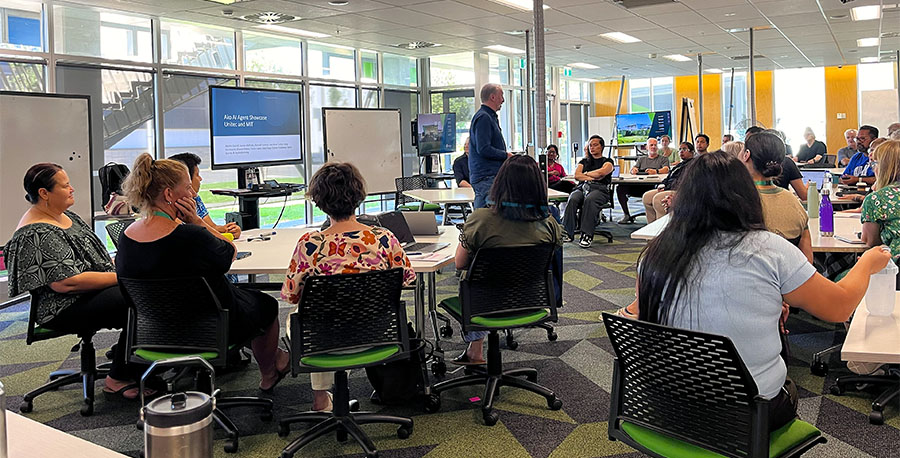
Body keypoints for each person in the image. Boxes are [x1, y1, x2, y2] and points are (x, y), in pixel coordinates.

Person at [626, 151, 892, 432]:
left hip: (663, 405)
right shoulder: (768, 248)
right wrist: (866, 263)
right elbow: (838, 308)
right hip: (744, 411)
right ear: (746, 195)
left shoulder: (655, 253)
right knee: (786, 384)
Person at [116, 154, 289, 394]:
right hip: (211, 328)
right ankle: (269, 374)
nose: (194, 195)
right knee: (267, 306)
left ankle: (277, 358)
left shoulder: (126, 237)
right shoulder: (191, 236)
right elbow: (230, 252)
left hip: (154, 330)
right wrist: (197, 222)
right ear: (169, 195)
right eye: (188, 188)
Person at [5, 163, 150, 399]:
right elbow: (66, 283)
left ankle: (137, 366)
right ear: (44, 193)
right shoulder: (36, 232)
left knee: (142, 292)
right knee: (139, 299)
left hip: (88, 294)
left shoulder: (63, 216)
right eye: (65, 185)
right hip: (63, 307)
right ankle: (119, 377)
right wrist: (121, 276)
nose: (72, 189)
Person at [281, 162, 416, 411]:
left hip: (322, 341)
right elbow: (408, 279)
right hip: (377, 334)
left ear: (319, 200)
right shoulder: (384, 238)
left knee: (306, 316)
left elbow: (291, 295)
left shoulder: (309, 244)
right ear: (358, 195)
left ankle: (321, 399)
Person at [452, 155, 563, 365]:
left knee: (472, 278)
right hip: (531, 301)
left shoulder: (481, 219)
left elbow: (459, 263)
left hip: (483, 305)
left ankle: (475, 350)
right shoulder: (549, 224)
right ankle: (474, 351)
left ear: (500, 182)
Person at [739, 133, 813, 261]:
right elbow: (808, 260)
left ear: (746, 155)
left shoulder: (735, 200)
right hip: (791, 277)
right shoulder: (793, 202)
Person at [168, 152, 241, 239]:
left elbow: (211, 227)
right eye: (197, 175)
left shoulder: (195, 198)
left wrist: (227, 229)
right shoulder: (171, 209)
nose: (200, 179)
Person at [562, 135, 615, 248]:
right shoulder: (584, 161)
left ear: (601, 147)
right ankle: (567, 232)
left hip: (600, 189)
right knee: (573, 198)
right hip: (583, 187)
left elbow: (601, 173)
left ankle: (586, 235)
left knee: (590, 199)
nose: (592, 147)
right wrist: (592, 176)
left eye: (595, 145)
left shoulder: (608, 161)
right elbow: (577, 175)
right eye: (590, 145)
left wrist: (585, 174)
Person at [469, 83, 512, 208]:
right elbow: (483, 149)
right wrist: (505, 155)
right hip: (486, 177)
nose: (503, 100)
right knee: (486, 217)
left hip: (490, 176)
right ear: (492, 97)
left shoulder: (489, 117)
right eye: (501, 96)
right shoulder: (484, 118)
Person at [861, 140, 900, 272]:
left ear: (884, 166)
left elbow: (870, 242)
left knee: (840, 278)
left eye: (874, 163)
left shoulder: (876, 199)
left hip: (893, 269)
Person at [617, 138, 670, 224]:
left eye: (655, 145)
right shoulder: (641, 159)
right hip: (639, 185)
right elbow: (634, 168)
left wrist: (656, 171)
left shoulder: (663, 159)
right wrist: (633, 170)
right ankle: (626, 214)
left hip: (653, 187)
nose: (653, 147)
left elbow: (666, 169)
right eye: (651, 145)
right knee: (621, 188)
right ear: (646, 147)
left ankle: (655, 217)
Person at [642, 141, 694, 223]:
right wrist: (661, 185)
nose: (681, 151)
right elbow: (669, 177)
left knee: (658, 199)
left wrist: (666, 188)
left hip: (680, 190)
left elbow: (682, 181)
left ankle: (662, 230)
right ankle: (651, 226)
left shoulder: (693, 165)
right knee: (646, 197)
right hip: (668, 187)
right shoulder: (679, 165)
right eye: (680, 149)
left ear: (692, 152)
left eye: (684, 149)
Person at [763, 129, 807, 199]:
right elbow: (804, 196)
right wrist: (809, 187)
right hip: (782, 204)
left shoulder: (754, 163)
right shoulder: (787, 162)